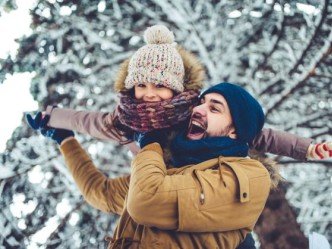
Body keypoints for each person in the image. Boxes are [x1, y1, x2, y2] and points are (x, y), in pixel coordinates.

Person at [28, 82, 277, 248]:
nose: (199, 110)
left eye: (214, 108)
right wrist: (66, 140)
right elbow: (100, 192)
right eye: (201, 103)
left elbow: (146, 201)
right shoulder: (165, 169)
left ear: (235, 131)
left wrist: (149, 145)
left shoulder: (251, 176)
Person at [40, 25, 330, 163]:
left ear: (177, 88)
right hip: (160, 189)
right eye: (141, 85)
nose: (149, 94)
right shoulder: (123, 122)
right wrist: (53, 116)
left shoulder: (193, 112)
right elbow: (84, 121)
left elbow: (261, 136)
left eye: (160, 86)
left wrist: (305, 148)